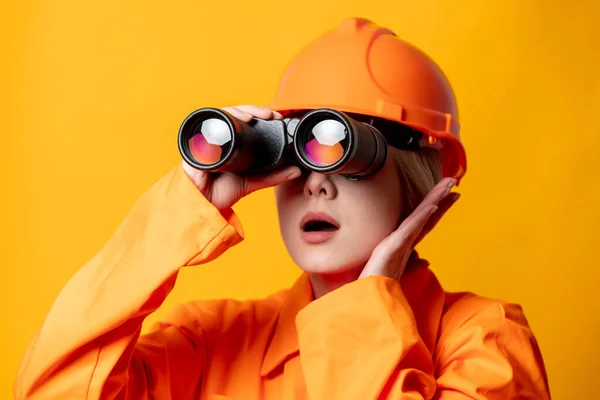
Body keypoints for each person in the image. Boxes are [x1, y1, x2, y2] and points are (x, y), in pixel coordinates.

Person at [13, 17, 551, 399]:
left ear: (417, 179)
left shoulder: (484, 339)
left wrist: (364, 306)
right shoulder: (211, 342)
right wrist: (177, 212)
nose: (315, 185)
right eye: (294, 153)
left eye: (345, 154)